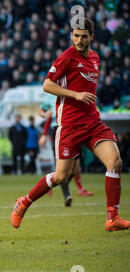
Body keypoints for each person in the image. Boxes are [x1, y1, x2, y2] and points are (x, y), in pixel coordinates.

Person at [11, 18, 129, 232]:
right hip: (70, 125)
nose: (79, 40)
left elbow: (88, 88)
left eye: (84, 36)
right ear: (71, 36)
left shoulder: (95, 58)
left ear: (91, 37)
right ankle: (24, 201)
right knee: (60, 176)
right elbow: (47, 85)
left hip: (92, 122)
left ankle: (112, 218)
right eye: (76, 36)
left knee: (115, 161)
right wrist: (75, 94)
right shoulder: (66, 58)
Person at [39, 93, 93, 207]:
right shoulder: (50, 96)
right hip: (58, 129)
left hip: (73, 129)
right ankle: (67, 195)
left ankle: (51, 183)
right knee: (61, 165)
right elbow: (41, 112)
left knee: (73, 169)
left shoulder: (71, 92)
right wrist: (45, 115)